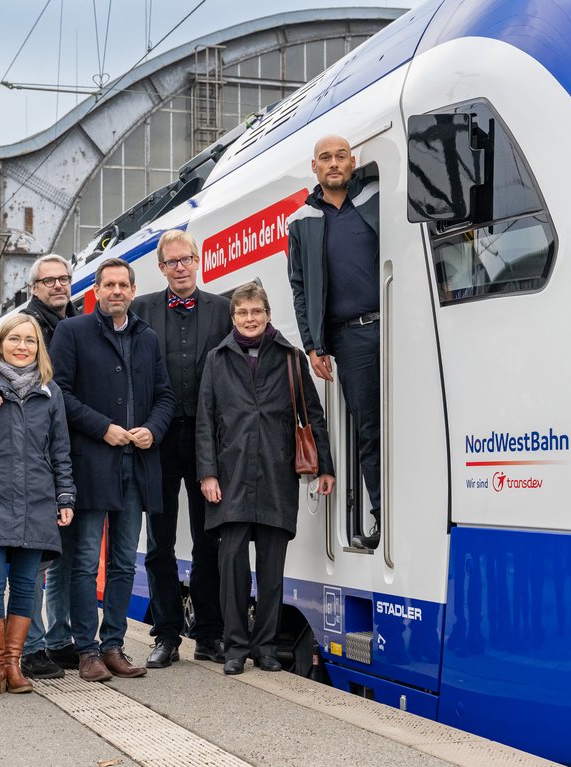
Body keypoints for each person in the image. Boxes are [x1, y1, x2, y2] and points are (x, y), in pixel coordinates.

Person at [196, 282, 335, 675]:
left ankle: (266, 647)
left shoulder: (290, 358)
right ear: (233, 317)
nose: (250, 319)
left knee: (272, 573)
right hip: (231, 475)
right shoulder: (217, 359)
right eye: (242, 313)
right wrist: (207, 472)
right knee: (233, 571)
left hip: (277, 473)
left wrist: (325, 466)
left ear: (268, 314)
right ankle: (236, 647)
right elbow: (205, 421)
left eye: (256, 311)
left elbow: (312, 414)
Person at [49, 257, 175, 682]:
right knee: (84, 561)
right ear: (96, 292)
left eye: (124, 285)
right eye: (109, 285)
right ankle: (86, 650)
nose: (117, 291)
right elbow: (59, 394)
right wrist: (103, 428)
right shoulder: (71, 332)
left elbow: (165, 396)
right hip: (92, 464)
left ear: (133, 291)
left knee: (124, 561)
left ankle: (113, 645)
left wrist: (151, 431)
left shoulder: (147, 337)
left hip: (136, 465)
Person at [0, 314, 76, 697]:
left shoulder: (49, 392)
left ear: (39, 348)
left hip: (37, 500)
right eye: (15, 339)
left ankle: (13, 665)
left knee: (25, 586)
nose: (22, 346)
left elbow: (60, 449)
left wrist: (65, 495)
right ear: (1, 343)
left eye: (30, 341)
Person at [132, 231, 231, 669]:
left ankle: (209, 634)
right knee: (159, 540)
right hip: (157, 439)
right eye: (171, 262)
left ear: (198, 259)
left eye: (186, 259)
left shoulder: (223, 310)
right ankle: (167, 634)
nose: (180, 267)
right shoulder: (142, 309)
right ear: (161, 267)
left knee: (210, 537)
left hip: (207, 441)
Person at [287, 134, 381, 549]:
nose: (334, 163)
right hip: (349, 338)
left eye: (341, 156)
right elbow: (300, 286)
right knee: (369, 427)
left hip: (399, 324)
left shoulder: (378, 198)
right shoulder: (302, 221)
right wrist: (313, 345)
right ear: (315, 168)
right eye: (325, 158)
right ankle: (382, 513)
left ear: (352, 160)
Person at [17, 253, 79, 679]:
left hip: (71, 454)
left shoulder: (79, 325)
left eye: (64, 279)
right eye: (49, 280)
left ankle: (59, 639)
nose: (59, 286)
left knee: (64, 557)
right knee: (36, 560)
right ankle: (34, 645)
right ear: (35, 288)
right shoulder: (27, 327)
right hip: (37, 461)